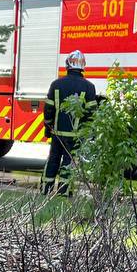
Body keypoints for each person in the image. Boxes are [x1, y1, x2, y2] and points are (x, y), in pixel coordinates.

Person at [41, 50, 98, 195]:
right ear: (83, 66)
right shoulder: (89, 87)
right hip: (75, 135)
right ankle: (63, 192)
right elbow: (91, 114)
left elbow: (48, 109)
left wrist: (48, 127)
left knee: (53, 159)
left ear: (67, 65)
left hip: (57, 133)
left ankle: (45, 190)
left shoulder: (56, 84)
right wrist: (87, 133)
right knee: (69, 162)